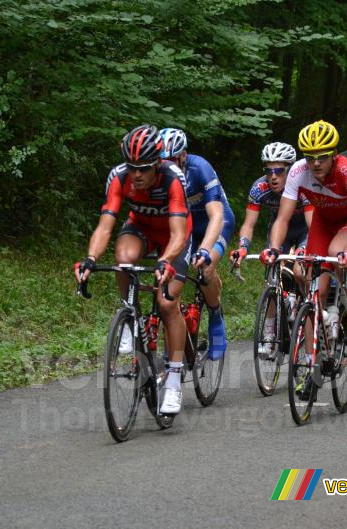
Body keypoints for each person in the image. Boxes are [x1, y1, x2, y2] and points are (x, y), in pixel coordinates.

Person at [74, 124, 191, 415]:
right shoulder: (119, 177)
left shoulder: (172, 178)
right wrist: (89, 259)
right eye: (132, 167)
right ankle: (130, 316)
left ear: (158, 164)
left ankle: (174, 379)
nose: (136, 174)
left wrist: (165, 261)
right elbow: (105, 225)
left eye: (144, 168)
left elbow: (178, 234)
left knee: (167, 303)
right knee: (123, 258)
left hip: (174, 236)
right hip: (140, 226)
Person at [262, 120, 347, 345]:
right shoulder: (298, 172)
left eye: (322, 157)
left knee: (337, 251)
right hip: (324, 220)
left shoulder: (346, 171)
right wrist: (274, 248)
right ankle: (311, 362)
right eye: (310, 157)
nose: (316, 163)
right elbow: (282, 218)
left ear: (335, 154)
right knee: (313, 288)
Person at [158, 127, 234, 361]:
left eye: (172, 159)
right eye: (163, 160)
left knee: (205, 267)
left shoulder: (199, 168)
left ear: (183, 155)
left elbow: (217, 215)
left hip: (216, 222)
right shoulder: (158, 175)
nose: (167, 165)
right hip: (185, 227)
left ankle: (215, 316)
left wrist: (204, 249)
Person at [230, 141, 313, 354]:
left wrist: (305, 251)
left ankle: (306, 306)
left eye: (279, 170)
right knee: (272, 275)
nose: (273, 176)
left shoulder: (304, 186)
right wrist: (242, 247)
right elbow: (248, 224)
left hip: (305, 229)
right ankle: (268, 335)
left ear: (291, 170)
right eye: (268, 170)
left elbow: (314, 224)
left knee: (300, 271)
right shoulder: (260, 188)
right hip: (280, 230)